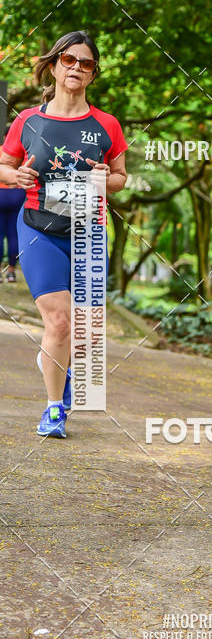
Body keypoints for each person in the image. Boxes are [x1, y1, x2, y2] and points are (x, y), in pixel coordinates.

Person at [0, 30, 128, 438]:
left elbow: (121, 177)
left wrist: (106, 180)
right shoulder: (28, 120)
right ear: (54, 66)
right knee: (59, 321)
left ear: (93, 74)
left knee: (86, 333)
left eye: (85, 63)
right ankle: (54, 409)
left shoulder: (106, 125)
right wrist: (15, 176)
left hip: (89, 231)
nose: (76, 68)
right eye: (68, 60)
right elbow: (3, 165)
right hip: (39, 228)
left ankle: (55, 363)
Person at [0, 158, 26, 281]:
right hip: (17, 191)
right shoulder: (20, 150)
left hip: (1, 192)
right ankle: (11, 272)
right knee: (14, 235)